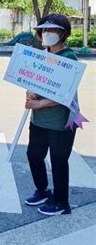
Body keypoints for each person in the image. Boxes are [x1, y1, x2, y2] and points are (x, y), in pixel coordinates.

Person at [24, 14, 79, 215]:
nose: (48, 34)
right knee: (34, 155)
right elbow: (35, 82)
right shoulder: (41, 55)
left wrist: (39, 104)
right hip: (39, 121)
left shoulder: (68, 58)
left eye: (53, 30)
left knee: (58, 161)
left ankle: (61, 203)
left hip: (60, 123)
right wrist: (31, 93)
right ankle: (42, 190)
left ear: (63, 33)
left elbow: (65, 93)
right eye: (44, 30)